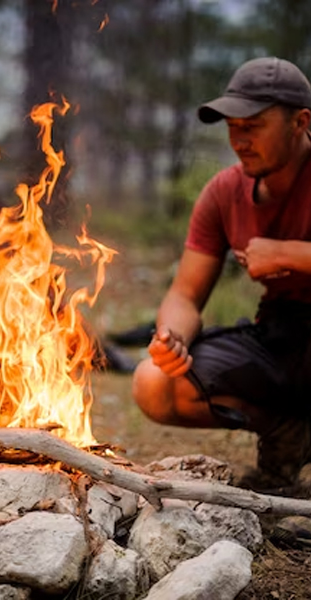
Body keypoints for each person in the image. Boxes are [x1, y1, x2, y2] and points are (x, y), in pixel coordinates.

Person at [132, 56, 311, 492]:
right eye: (232, 127)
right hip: (281, 334)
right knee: (154, 383)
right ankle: (289, 431)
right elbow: (186, 295)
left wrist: (290, 254)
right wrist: (171, 338)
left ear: (300, 121)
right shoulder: (224, 192)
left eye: (252, 126)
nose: (239, 140)